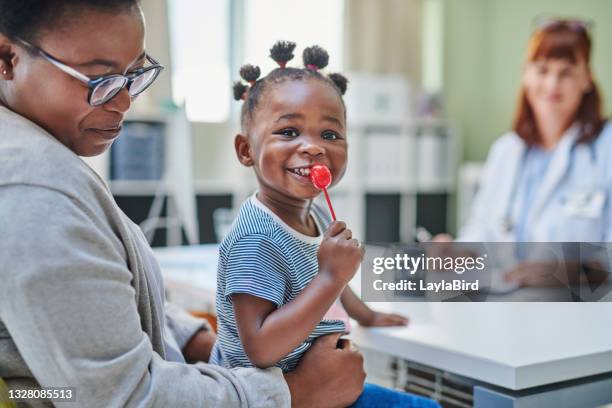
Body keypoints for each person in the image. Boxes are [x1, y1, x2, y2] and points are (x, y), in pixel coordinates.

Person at [0, 2, 366, 407]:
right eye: (101, 79)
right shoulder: (34, 188)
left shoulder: (46, 157)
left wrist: (203, 342)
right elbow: (116, 398)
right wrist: (298, 391)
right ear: (6, 59)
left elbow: (99, 306)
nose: (124, 102)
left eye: (136, 74)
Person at [209, 41, 439, 408]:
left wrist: (367, 314)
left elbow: (333, 285)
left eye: (329, 135)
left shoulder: (313, 213)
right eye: (288, 132)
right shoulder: (256, 238)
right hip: (282, 397)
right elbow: (260, 348)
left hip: (326, 383)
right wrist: (330, 276)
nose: (314, 148)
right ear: (245, 150)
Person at [436, 18, 611, 287]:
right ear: (526, 74)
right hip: (509, 305)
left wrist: (574, 272)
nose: (552, 84)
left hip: (584, 313)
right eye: (542, 70)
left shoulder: (605, 148)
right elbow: (482, 230)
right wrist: (456, 253)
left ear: (586, 78)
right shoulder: (506, 151)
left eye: (565, 73)